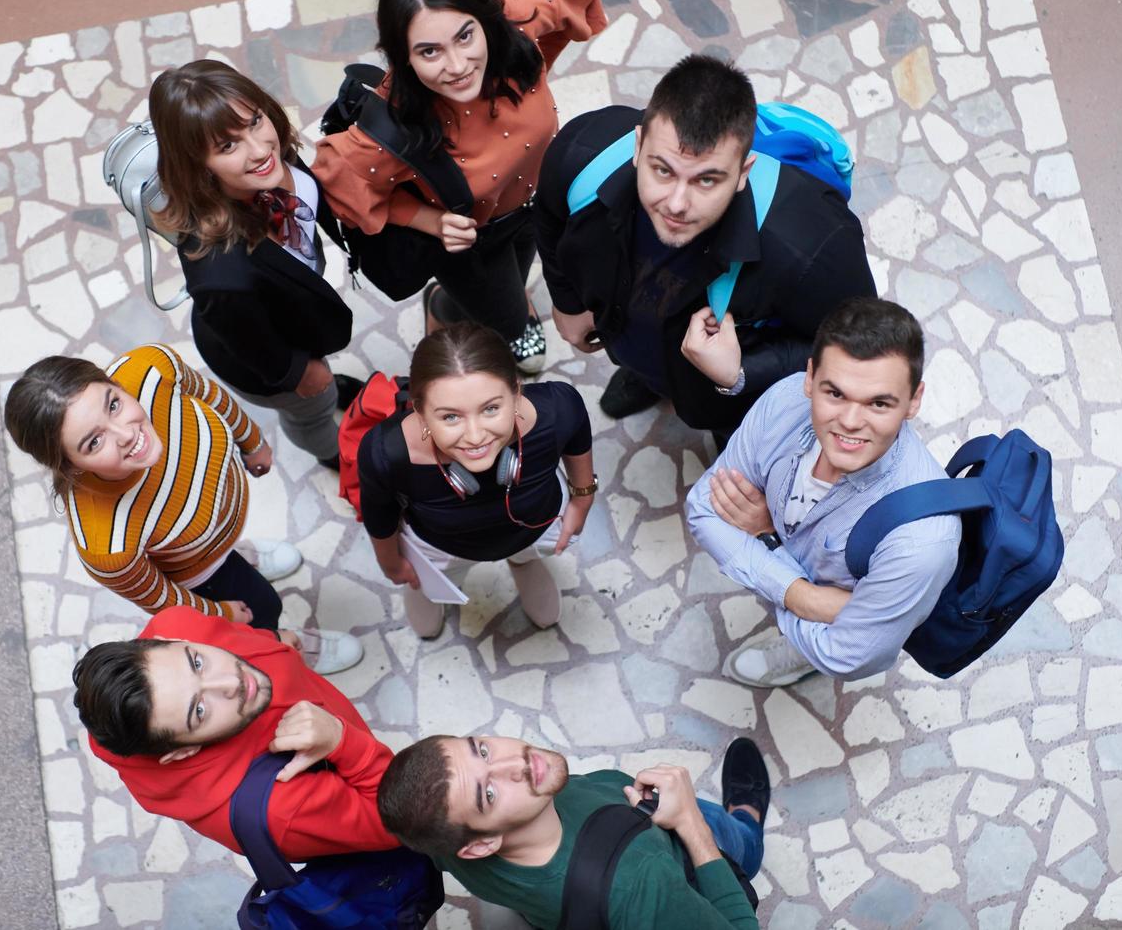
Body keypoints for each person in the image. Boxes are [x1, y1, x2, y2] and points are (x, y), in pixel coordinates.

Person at [533, 54, 876, 435]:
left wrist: (741, 372)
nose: (677, 203)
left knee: (729, 431)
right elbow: (548, 214)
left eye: (706, 181)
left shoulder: (813, 246)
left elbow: (859, 348)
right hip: (626, 329)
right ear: (637, 146)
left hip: (726, 391)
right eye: (662, 170)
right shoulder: (583, 152)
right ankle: (647, 379)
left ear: (743, 173)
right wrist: (566, 301)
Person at [314, 0, 606, 373]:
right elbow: (337, 185)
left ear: (484, 20)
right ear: (404, 57)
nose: (457, 66)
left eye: (465, 36)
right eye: (429, 52)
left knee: (519, 275)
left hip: (536, 207)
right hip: (474, 243)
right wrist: (429, 221)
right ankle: (458, 311)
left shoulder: (515, 24)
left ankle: (460, 303)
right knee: (504, 316)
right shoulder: (397, 123)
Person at [4, 343, 361, 674]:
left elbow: (209, 395)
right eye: (94, 442)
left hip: (214, 526)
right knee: (263, 608)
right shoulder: (107, 545)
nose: (126, 434)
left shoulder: (150, 369)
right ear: (71, 466)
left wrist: (251, 440)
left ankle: (237, 554)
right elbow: (163, 598)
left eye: (113, 404)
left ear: (113, 382)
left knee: (229, 555)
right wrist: (220, 614)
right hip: (200, 571)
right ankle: (290, 651)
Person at [685, 298, 961, 687]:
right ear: (810, 377)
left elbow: (846, 657)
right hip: (816, 588)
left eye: (878, 403)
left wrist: (765, 546)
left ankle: (798, 653)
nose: (849, 422)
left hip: (845, 600)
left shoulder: (922, 542)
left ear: (914, 400)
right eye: (835, 394)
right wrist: (805, 598)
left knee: (821, 646)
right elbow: (701, 510)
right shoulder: (785, 400)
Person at [151, 59, 361, 471]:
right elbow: (256, 347)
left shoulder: (270, 164)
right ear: (198, 166)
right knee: (312, 409)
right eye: (227, 146)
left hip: (282, 311)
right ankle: (329, 450)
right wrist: (302, 374)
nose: (261, 149)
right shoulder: (223, 277)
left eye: (255, 121)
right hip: (264, 358)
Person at [73, 606, 397, 858]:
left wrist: (273, 641)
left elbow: (236, 635)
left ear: (170, 642)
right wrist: (345, 743)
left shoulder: (177, 623)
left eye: (198, 663)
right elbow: (395, 825)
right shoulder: (277, 809)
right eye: (199, 710)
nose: (233, 682)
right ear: (183, 751)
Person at [378, 732, 768, 929]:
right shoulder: (641, 882)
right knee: (732, 838)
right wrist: (690, 821)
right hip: (673, 837)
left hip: (620, 826)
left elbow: (386, 804)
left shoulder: (439, 834)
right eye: (490, 793)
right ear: (481, 846)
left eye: (481, 750)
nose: (516, 763)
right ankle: (747, 820)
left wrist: (341, 741)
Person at [358, 323, 596, 638]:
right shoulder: (386, 452)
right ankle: (432, 588)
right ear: (421, 412)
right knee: (437, 578)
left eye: (491, 408)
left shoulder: (557, 407)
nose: (474, 437)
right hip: (439, 547)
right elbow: (380, 516)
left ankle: (522, 562)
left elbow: (578, 436)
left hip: (533, 529)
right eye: (450, 417)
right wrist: (393, 565)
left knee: (528, 551)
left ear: (516, 391)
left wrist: (582, 499)